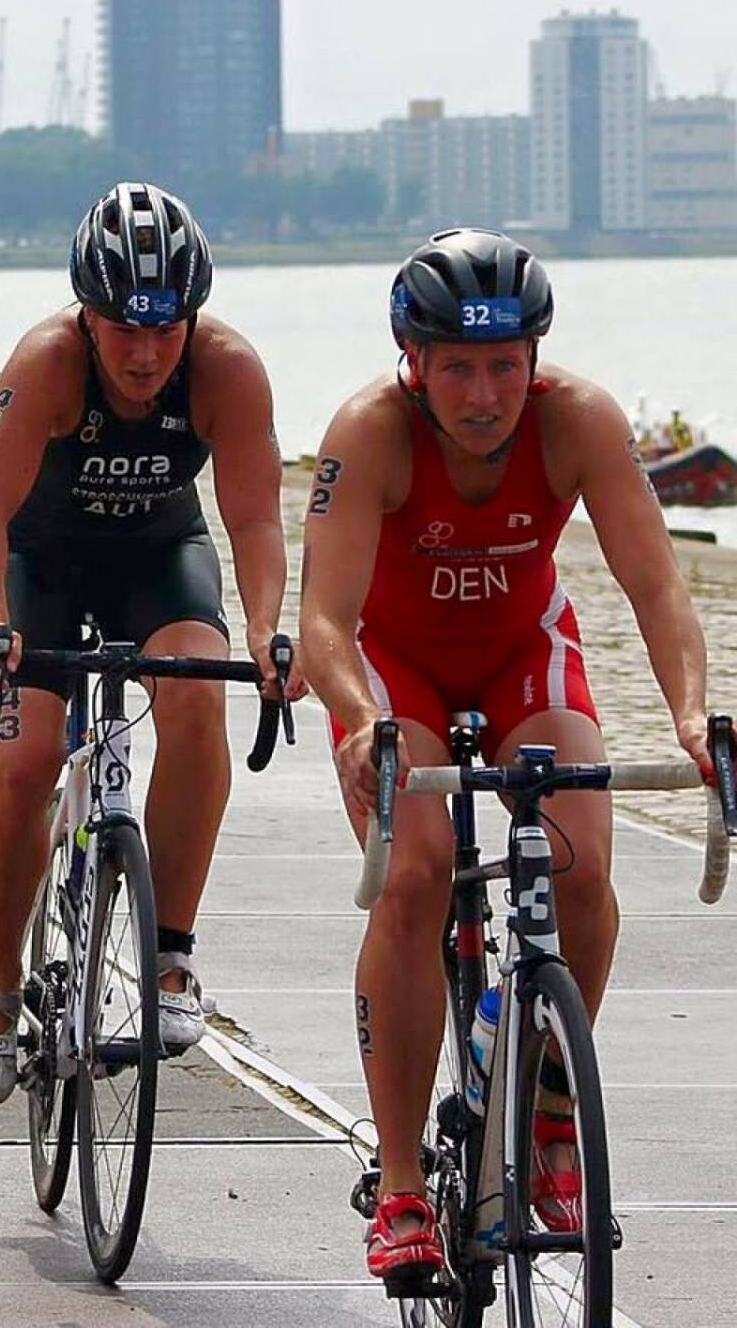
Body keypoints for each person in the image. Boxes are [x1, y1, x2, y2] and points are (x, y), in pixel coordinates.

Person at [297, 228, 712, 1285]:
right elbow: (327, 621)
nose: (484, 395)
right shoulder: (371, 432)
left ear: (536, 359)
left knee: (581, 861)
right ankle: (398, 1185)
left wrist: (697, 718)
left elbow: (657, 587)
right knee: (419, 874)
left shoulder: (579, 422)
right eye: (459, 369)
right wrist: (356, 722)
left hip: (524, 656)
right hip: (399, 672)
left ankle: (552, 1116)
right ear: (415, 363)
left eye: (506, 367)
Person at [0, 181, 303, 1104]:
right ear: (87, 316)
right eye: (123, 329)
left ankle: (172, 954)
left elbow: (257, 522)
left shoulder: (227, 368)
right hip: (46, 562)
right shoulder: (48, 363)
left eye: (165, 328)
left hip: (159, 555)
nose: (146, 354)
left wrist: (267, 629)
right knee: (23, 758)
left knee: (195, 698)